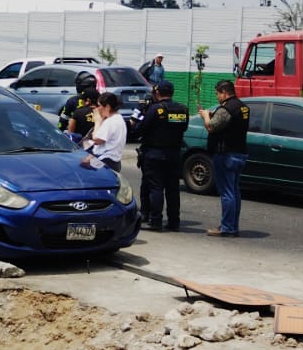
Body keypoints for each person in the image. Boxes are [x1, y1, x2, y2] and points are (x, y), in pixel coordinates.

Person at [134, 80, 189, 232]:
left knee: (156, 188)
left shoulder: (155, 109)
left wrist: (136, 121)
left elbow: (140, 129)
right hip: (174, 154)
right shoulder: (183, 109)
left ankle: (156, 221)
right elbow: (183, 128)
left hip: (155, 154)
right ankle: (174, 222)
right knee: (172, 189)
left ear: (157, 93)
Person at [200, 80, 250, 238]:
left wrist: (205, 116)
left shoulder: (227, 108)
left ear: (224, 92)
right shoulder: (243, 107)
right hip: (239, 153)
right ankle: (232, 226)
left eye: (217, 93)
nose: (217, 97)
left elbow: (211, 127)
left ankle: (227, 227)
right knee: (234, 191)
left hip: (226, 154)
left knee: (227, 192)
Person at [80, 93, 127, 172]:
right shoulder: (117, 118)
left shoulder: (111, 121)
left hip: (106, 161)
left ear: (107, 107)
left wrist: (97, 121)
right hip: (112, 160)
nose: (97, 109)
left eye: (99, 106)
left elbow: (97, 139)